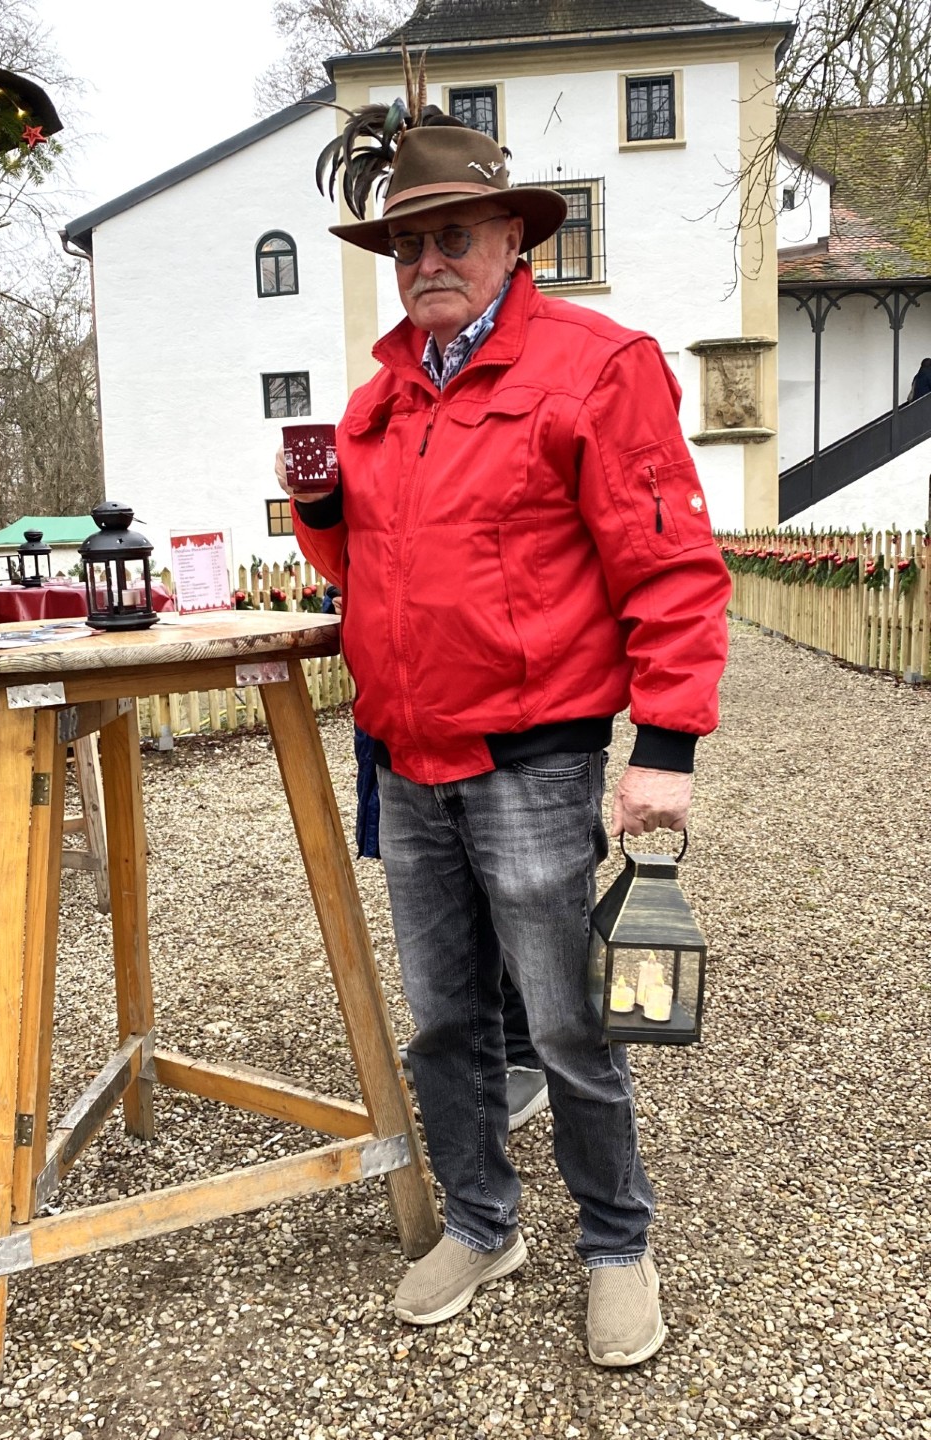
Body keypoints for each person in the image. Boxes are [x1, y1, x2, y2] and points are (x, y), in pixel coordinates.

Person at [278, 109, 729, 1366]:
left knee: (564, 1021)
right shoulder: (377, 402)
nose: (427, 260)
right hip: (406, 756)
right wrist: (321, 511)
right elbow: (359, 570)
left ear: (512, 241)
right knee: (442, 1022)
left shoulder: (598, 367)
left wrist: (667, 745)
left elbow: (671, 565)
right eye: (407, 243)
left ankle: (617, 1242)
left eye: (454, 236)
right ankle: (482, 1221)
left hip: (534, 757)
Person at [326, 581, 550, 1130]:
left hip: (486, 713)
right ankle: (474, 1051)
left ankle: (523, 1054)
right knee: (454, 912)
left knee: (510, 904)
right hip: (406, 716)